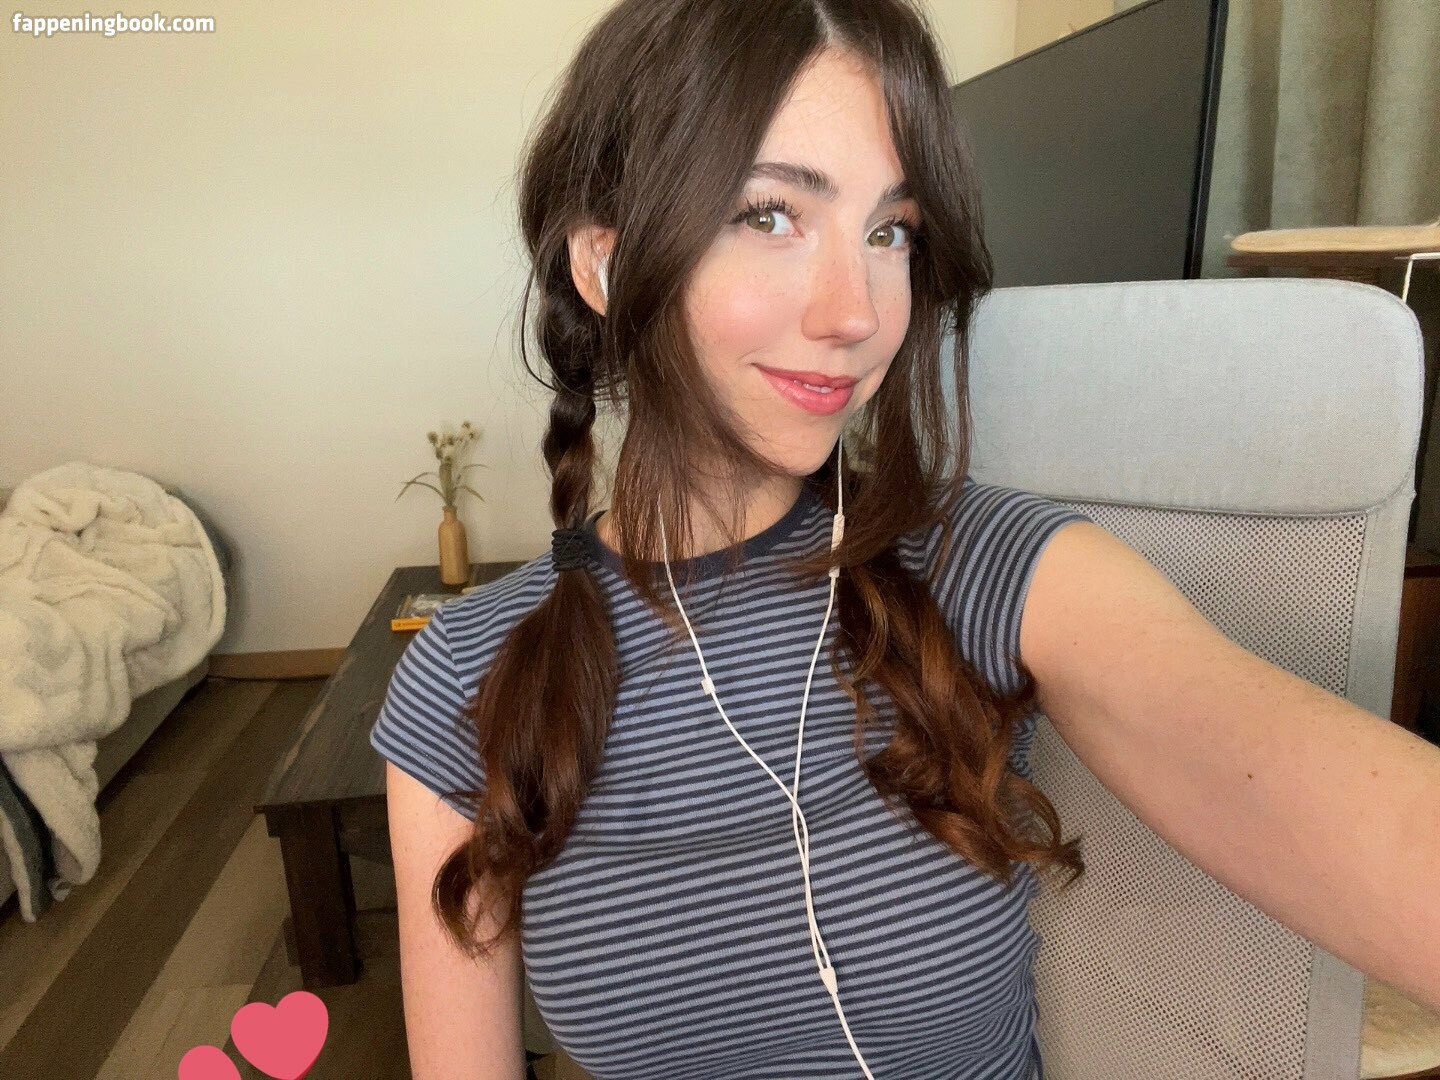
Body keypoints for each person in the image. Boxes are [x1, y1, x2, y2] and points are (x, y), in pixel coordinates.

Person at [369, 1, 1440, 1077]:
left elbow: (1333, 803)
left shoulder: (989, 570)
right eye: (770, 215)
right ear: (603, 263)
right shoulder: (466, 677)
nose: (857, 313)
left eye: (891, 233)